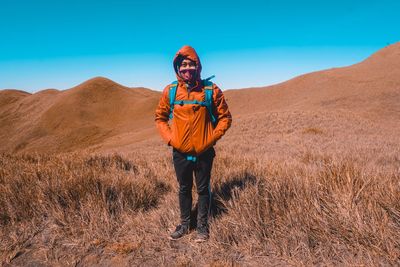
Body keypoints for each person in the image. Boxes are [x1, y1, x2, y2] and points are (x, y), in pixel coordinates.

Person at [155, 45, 232, 242]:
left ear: (197, 66)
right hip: (179, 152)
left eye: (191, 64)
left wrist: (211, 138)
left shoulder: (211, 90)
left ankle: (202, 227)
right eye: (183, 65)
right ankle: (184, 224)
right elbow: (160, 118)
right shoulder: (171, 91)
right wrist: (171, 139)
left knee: (203, 189)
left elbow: (225, 118)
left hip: (204, 152)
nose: (187, 69)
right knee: (184, 188)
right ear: (178, 68)